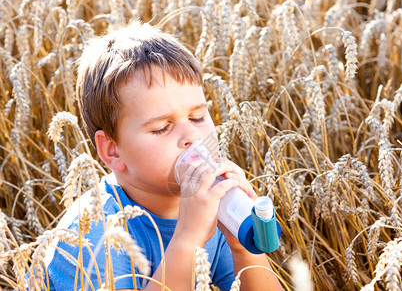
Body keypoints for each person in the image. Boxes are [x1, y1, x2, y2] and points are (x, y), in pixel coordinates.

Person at [43, 21, 283, 291]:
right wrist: (188, 239)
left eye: (198, 116)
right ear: (113, 150)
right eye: (161, 128)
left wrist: (243, 249)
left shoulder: (212, 207)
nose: (191, 136)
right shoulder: (92, 237)